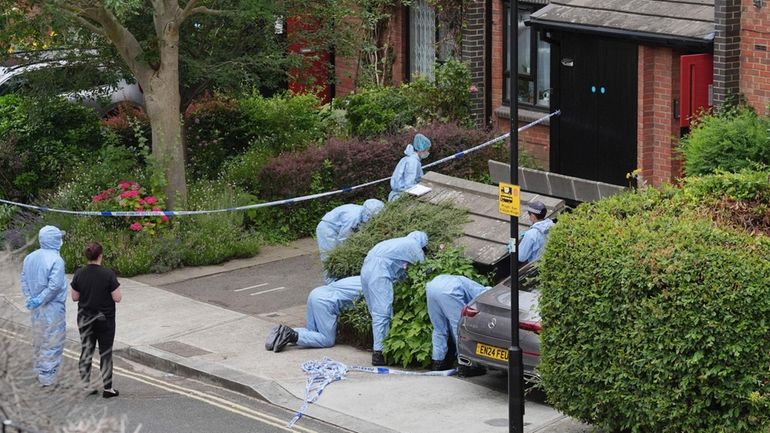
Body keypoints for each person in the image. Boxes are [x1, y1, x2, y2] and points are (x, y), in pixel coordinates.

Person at [361, 231, 428, 365]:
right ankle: (379, 353)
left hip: (366, 268)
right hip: (379, 271)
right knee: (382, 312)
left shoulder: (397, 243)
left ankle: (380, 347)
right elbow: (423, 270)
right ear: (423, 244)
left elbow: (399, 268)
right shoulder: (414, 245)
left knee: (375, 311)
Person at [70, 242, 122, 398]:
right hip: (104, 319)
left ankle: (86, 385)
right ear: (101, 256)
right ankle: (108, 388)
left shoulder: (79, 273)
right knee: (105, 352)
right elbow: (117, 298)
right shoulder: (108, 274)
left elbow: (74, 297)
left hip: (85, 319)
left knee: (86, 351)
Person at [20, 225, 68, 387]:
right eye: (59, 237)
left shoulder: (30, 257)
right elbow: (54, 286)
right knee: (52, 340)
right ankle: (47, 378)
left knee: (39, 338)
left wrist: (31, 299)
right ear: (54, 239)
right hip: (53, 307)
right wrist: (40, 299)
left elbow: (24, 280)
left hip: (36, 307)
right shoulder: (56, 260)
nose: (61, 240)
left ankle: (39, 371)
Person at [265, 276, 362, 352]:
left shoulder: (361, 278)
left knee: (312, 332)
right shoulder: (373, 287)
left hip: (316, 293)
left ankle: (280, 332)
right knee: (327, 340)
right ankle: (291, 335)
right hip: (325, 301)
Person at [425, 275, 488, 371]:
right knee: (459, 328)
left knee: (438, 328)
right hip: (450, 290)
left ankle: (437, 362)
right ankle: (465, 365)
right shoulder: (483, 292)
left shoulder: (467, 283)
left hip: (431, 287)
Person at [316, 199, 385, 270]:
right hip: (327, 228)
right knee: (330, 258)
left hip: (338, 228)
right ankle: (331, 280)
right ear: (367, 214)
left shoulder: (364, 213)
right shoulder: (352, 218)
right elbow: (344, 239)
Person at [388, 133, 432, 201]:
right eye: (427, 150)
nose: (428, 152)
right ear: (421, 149)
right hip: (400, 197)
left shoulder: (409, 158)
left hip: (399, 193)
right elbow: (409, 184)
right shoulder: (413, 162)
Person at [518, 200, 554, 266]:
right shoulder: (554, 226)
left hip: (538, 269)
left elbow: (521, 257)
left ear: (533, 216)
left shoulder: (531, 234)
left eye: (529, 215)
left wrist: (513, 249)